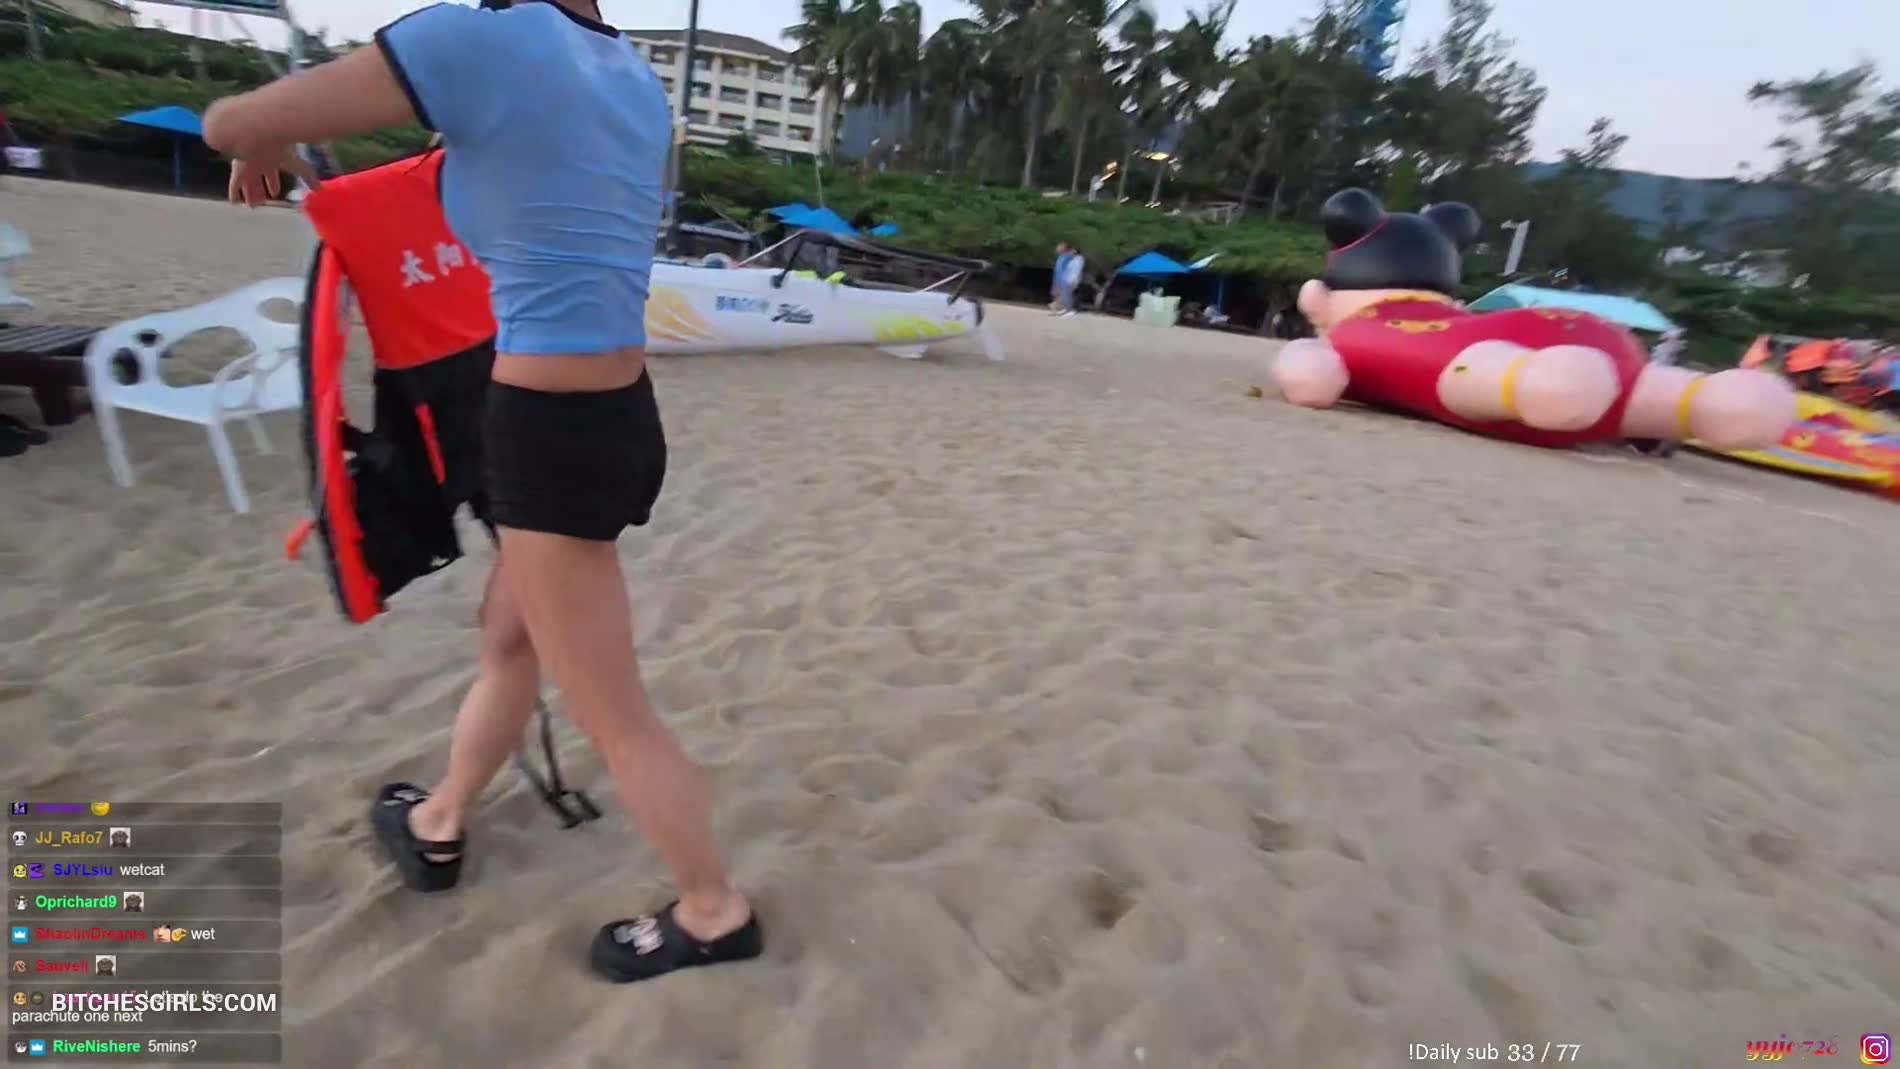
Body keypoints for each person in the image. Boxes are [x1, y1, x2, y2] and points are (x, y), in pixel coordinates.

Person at [201, 0, 760, 984]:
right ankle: (441, 817)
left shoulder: (474, 41)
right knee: (512, 634)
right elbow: (497, 173)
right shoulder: (627, 77)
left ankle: (713, 908)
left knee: (613, 712)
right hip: (617, 412)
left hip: (549, 432)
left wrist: (267, 137)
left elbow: (227, 123)